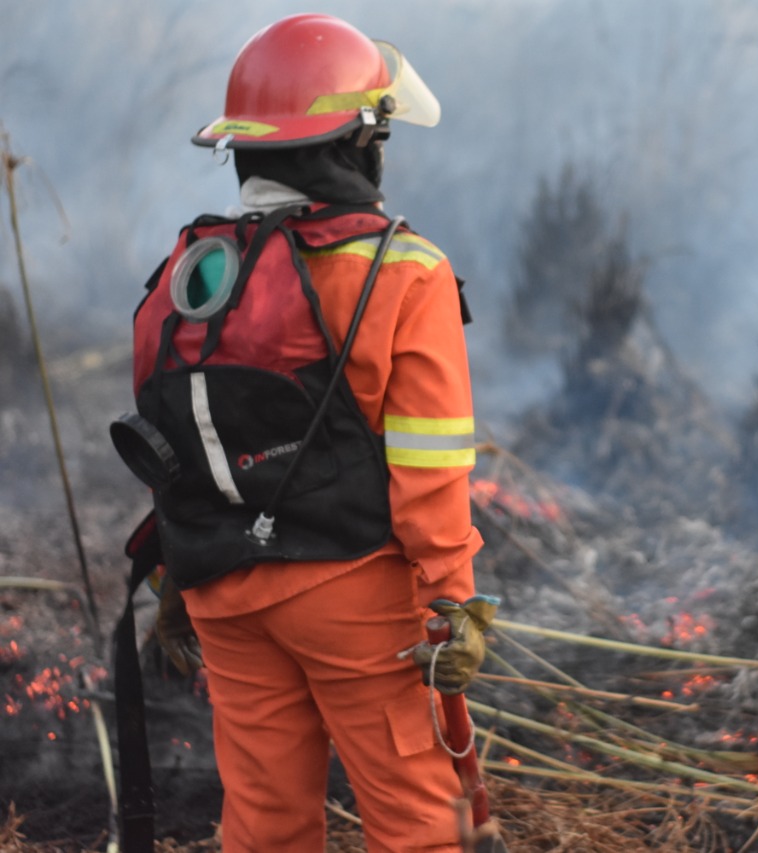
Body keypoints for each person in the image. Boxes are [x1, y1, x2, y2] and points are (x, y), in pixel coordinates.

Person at [126, 13, 494, 852]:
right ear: (353, 143)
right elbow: (429, 463)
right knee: (417, 817)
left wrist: (178, 578)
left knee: (263, 819)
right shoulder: (404, 269)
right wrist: (454, 598)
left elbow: (165, 434)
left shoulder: (187, 273)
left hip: (221, 586)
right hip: (353, 592)